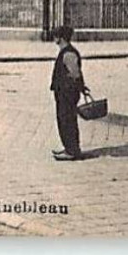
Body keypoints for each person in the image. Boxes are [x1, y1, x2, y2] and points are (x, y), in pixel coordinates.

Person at [50, 23, 87, 161]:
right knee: (64, 120)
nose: (54, 39)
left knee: (67, 121)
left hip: (67, 93)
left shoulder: (69, 53)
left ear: (60, 38)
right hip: (64, 92)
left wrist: (76, 86)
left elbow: (75, 73)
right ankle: (69, 148)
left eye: (56, 36)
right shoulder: (66, 52)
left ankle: (72, 150)